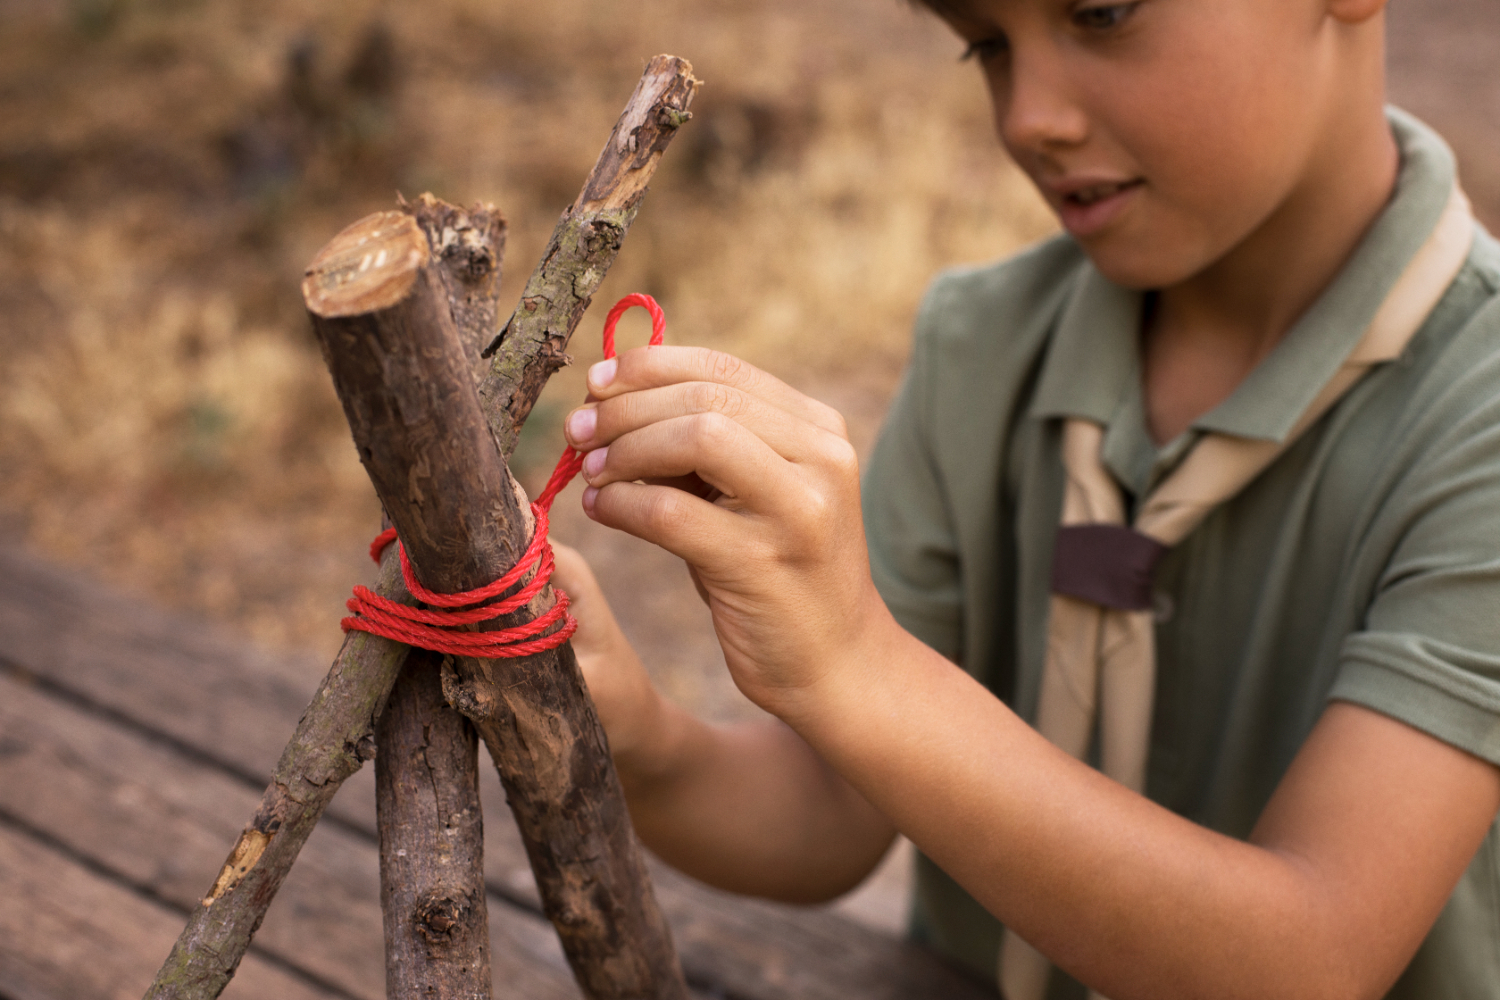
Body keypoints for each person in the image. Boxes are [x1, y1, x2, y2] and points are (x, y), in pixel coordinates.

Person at [549, 0, 1500, 996]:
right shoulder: (983, 345)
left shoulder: (1473, 412)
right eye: (988, 45)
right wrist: (633, 733)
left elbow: (1309, 962)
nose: (1027, 119)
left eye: (1102, 12)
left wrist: (856, 661)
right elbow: (833, 807)